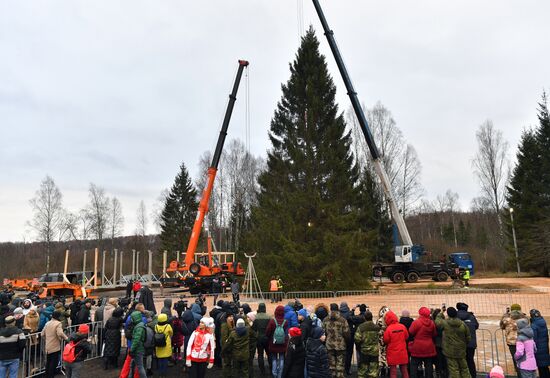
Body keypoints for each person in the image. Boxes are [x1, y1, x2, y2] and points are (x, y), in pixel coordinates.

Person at [436, 307, 471, 378]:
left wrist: (441, 312)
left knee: (453, 369)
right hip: (461, 350)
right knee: (464, 368)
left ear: (448, 314)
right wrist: (463, 345)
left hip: (449, 351)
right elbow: (468, 338)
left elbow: (437, 321)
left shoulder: (445, 323)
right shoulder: (462, 324)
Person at [323, 303, 350, 378]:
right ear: (338, 309)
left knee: (331, 365)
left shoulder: (325, 319)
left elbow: (323, 332)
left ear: (330, 309)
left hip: (329, 344)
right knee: (340, 365)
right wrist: (347, 341)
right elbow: (346, 333)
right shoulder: (342, 320)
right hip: (340, 345)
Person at [408, 307, 436, 378]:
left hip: (418, 346)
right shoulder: (432, 323)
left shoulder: (416, 322)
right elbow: (434, 334)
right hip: (429, 346)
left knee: (414, 365)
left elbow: (411, 332)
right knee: (429, 365)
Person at [500, 304, 528, 376]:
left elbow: (502, 326)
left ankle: (519, 374)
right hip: (523, 341)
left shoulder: (507, 319)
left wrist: (506, 314)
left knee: (516, 360)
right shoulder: (525, 318)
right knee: (524, 360)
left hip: (512, 342)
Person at [383, 310, 409, 378]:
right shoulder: (402, 326)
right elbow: (407, 337)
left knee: (393, 372)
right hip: (402, 351)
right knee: (404, 371)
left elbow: (385, 340)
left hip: (392, 353)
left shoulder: (388, 329)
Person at [42, 310, 68, 378]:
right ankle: (51, 376)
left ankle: (47, 376)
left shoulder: (47, 323)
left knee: (48, 362)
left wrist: (47, 339)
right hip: (55, 345)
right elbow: (60, 333)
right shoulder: (58, 323)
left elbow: (42, 334)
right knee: (53, 363)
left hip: (48, 345)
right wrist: (66, 338)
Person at [354, 311, 380, 378]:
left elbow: (357, 339)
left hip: (364, 351)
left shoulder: (361, 327)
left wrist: (360, 344)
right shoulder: (377, 327)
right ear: (371, 317)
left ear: (364, 318)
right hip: (374, 351)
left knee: (362, 371)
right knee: (373, 371)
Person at [456, 302, 479, 378]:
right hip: (471, 343)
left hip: (459, 343)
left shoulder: (455, 316)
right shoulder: (471, 316)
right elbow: (476, 326)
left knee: (459, 362)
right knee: (470, 361)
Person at [267, 305, 290, 378]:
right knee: (281, 359)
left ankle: (274, 374)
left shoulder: (272, 321)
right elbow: (286, 333)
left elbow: (267, 332)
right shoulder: (285, 322)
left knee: (274, 359)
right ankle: (280, 375)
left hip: (273, 343)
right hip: (283, 343)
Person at [529, 309, 550, 378]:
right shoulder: (543, 322)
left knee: (541, 368)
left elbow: (533, 339)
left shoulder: (534, 325)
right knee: (545, 367)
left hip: (538, 349)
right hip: (544, 347)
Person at [253, 302, 271, 376]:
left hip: (259, 338)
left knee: (260, 354)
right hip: (267, 338)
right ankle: (271, 368)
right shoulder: (269, 317)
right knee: (269, 354)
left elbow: (253, 328)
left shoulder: (256, 317)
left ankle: (262, 371)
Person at [128, 311, 148, 378]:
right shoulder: (140, 325)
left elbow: (136, 339)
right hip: (138, 348)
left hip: (138, 349)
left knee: (140, 367)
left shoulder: (139, 327)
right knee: (133, 364)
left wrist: (132, 349)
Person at [155, 313, 173, 378]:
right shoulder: (168, 326)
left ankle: (160, 373)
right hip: (166, 344)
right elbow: (171, 333)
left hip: (158, 344)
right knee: (165, 359)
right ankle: (164, 373)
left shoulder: (156, 326)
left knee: (160, 359)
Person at [339, 302, 355, 376]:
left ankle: (341, 369)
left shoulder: (338, 314)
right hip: (349, 336)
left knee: (341, 354)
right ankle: (347, 370)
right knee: (349, 353)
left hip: (340, 336)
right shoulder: (349, 313)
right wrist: (353, 311)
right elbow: (353, 320)